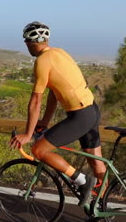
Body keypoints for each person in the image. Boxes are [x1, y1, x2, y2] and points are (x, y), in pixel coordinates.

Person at [9, 21, 106, 206]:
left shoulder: (42, 61)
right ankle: (102, 205)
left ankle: (83, 182)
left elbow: (36, 100)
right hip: (91, 110)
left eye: (25, 41)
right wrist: (45, 121)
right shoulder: (59, 52)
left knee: (38, 149)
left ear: (29, 42)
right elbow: (54, 92)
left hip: (80, 116)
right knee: (96, 163)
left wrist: (28, 135)